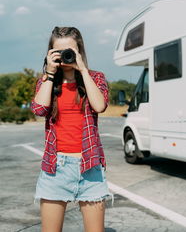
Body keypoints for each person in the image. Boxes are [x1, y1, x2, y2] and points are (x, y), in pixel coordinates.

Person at [30, 26, 113, 232]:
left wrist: (83, 70)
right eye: (59, 52)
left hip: (90, 166)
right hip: (56, 167)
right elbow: (39, 109)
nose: (65, 57)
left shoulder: (96, 77)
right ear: (51, 53)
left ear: (80, 51)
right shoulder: (46, 82)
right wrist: (49, 73)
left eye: (71, 51)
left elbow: (99, 106)